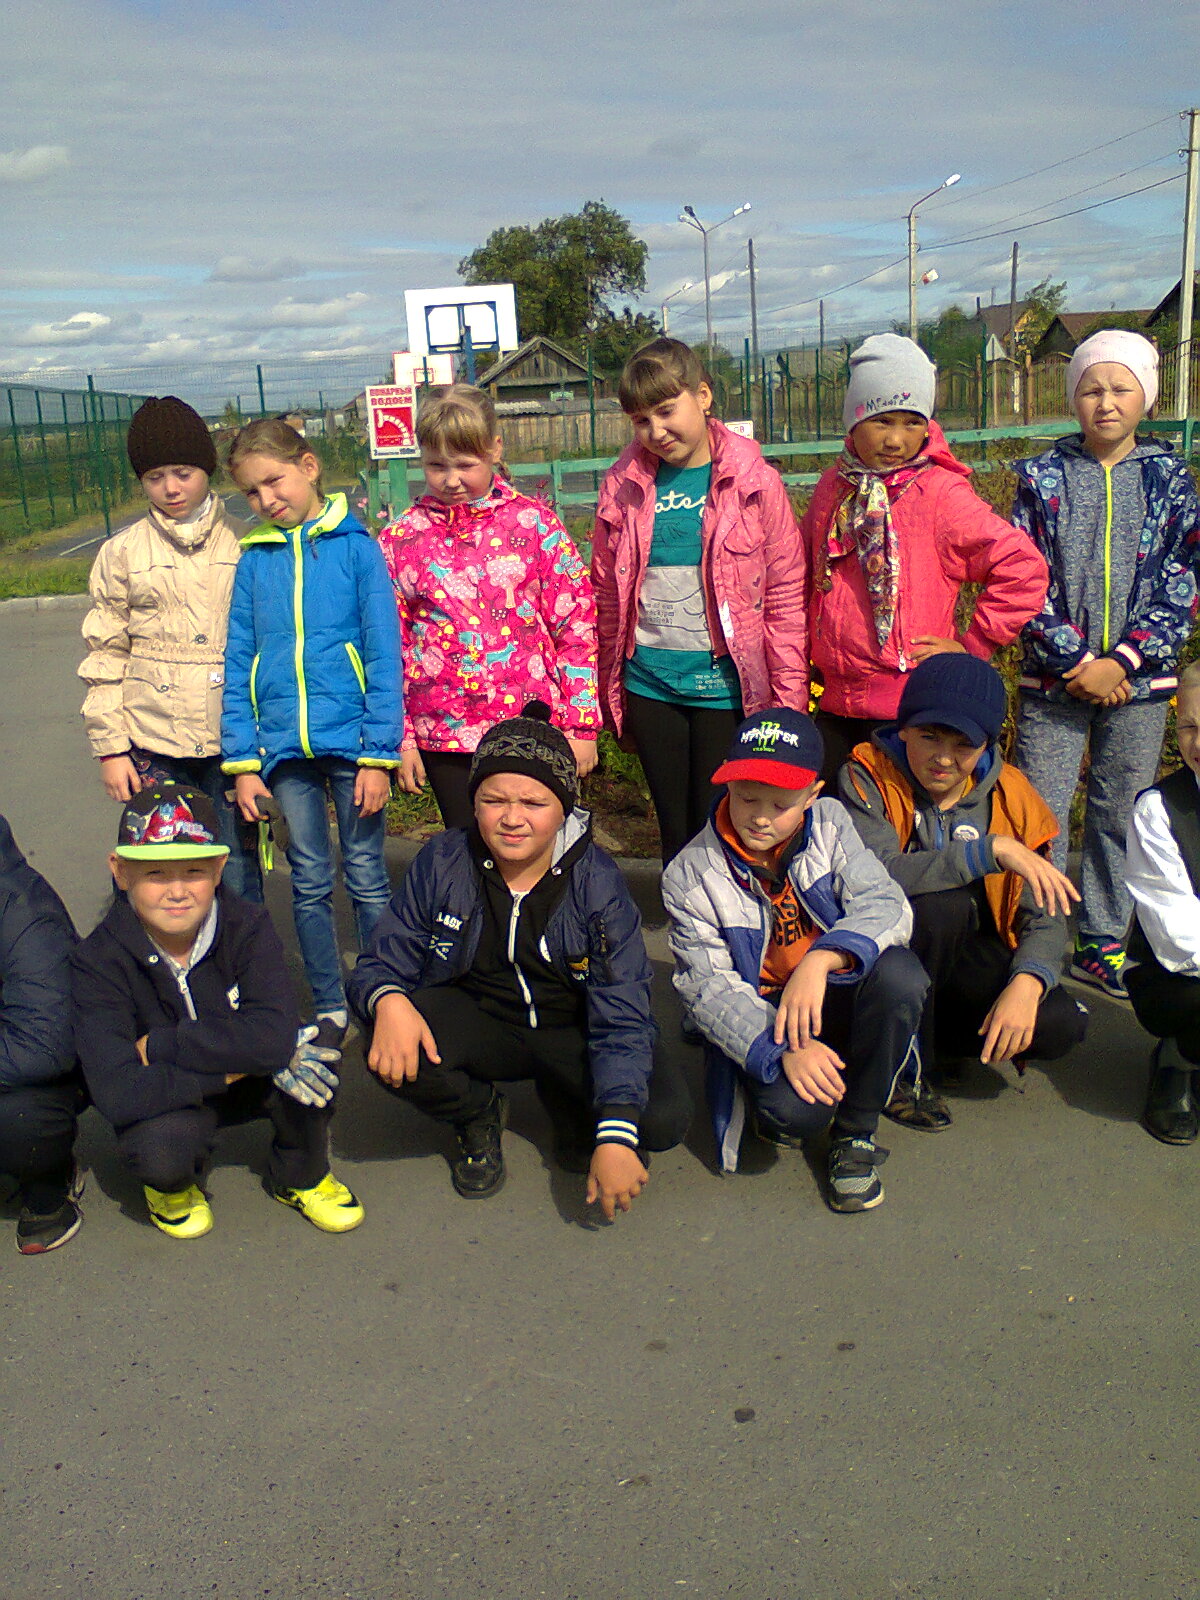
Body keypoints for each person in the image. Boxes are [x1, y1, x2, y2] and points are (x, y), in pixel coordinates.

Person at [348, 702, 691, 1219]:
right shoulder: (443, 859)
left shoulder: (598, 883)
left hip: (572, 1027)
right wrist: (388, 1000)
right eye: (494, 800)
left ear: (564, 809)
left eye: (533, 802)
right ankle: (477, 1111)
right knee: (388, 1042)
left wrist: (617, 1132)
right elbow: (381, 960)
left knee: (660, 1119)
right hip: (482, 1019)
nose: (512, 818)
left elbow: (623, 1011)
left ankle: (570, 1099)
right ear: (475, 803)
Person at [661, 707, 926, 1212]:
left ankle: (857, 1133)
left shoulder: (831, 823)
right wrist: (783, 1046)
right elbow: (708, 988)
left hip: (826, 982)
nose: (761, 817)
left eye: (781, 803)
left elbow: (886, 903)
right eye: (746, 797)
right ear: (727, 781)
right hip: (765, 1006)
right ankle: (775, 1081)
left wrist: (822, 958)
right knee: (798, 1112)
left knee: (901, 976)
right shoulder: (689, 873)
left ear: (812, 796)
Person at [71, 783, 363, 1239]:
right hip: (172, 1094)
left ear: (219, 867)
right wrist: (228, 1070)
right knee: (160, 1151)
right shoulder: (97, 960)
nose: (177, 891)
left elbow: (274, 1034)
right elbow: (117, 1092)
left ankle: (300, 1172)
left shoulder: (248, 925)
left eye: (194, 871)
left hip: (201, 1067)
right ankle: (171, 1185)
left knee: (314, 1049)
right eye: (156, 874)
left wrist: (163, 1044)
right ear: (121, 871)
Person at [1013, 330, 1200, 1000]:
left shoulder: (1172, 480)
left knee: (1121, 812)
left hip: (1139, 685)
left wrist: (1122, 661)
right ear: (1074, 398)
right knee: (1040, 812)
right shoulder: (1041, 477)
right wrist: (1078, 662)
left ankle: (1101, 939)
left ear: (1147, 397)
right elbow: (1023, 577)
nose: (1106, 402)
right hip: (1055, 681)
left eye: (1122, 388)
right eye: (1092, 389)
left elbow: (1183, 579)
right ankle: (1035, 935)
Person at [839, 654, 1088, 1130]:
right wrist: (989, 851)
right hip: (887, 965)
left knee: (1059, 1021)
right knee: (943, 908)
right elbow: (875, 874)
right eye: (930, 736)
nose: (944, 758)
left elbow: (1046, 912)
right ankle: (899, 1068)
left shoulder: (1013, 794)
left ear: (988, 744)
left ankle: (942, 1047)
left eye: (964, 744)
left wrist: (1027, 982)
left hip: (966, 960)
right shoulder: (866, 774)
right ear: (904, 728)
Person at [590, 337, 806, 865]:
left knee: (725, 832)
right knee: (675, 835)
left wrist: (788, 703)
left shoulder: (755, 483)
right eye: (641, 420)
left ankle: (731, 919)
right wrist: (606, 690)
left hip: (726, 695)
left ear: (703, 396)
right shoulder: (622, 484)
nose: (656, 431)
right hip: (651, 688)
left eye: (667, 410)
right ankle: (682, 920)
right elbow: (607, 594)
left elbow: (784, 598)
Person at [222, 418, 402, 1044]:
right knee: (308, 882)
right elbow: (238, 660)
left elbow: (383, 652)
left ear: (308, 466)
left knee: (367, 875)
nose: (266, 499)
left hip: (353, 745)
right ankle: (328, 1002)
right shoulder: (254, 560)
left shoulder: (357, 549)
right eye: (251, 492)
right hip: (283, 752)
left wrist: (378, 754)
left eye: (274, 481)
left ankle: (383, 992)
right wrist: (244, 763)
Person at [799, 333, 1048, 781]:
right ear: (854, 420)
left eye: (912, 423)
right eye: (882, 421)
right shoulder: (833, 488)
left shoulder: (939, 494)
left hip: (910, 707)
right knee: (831, 815)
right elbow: (806, 576)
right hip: (834, 700)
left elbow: (1022, 568)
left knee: (899, 816)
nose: (896, 440)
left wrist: (972, 647)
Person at [379, 384, 600, 830]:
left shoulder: (534, 525)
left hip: (529, 725)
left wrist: (581, 726)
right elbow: (389, 647)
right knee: (466, 848)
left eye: (465, 465)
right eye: (436, 466)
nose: (451, 480)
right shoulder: (401, 539)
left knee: (529, 844)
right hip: (442, 732)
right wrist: (402, 740)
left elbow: (575, 625)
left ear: (494, 450)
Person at [79, 395, 262, 901]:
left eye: (183, 473)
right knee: (157, 866)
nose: (171, 488)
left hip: (232, 741)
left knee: (236, 866)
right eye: (155, 476)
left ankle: (240, 951)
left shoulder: (247, 544)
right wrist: (111, 748)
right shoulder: (121, 553)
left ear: (206, 470)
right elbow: (105, 656)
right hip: (152, 738)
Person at [0, 814, 83, 1255]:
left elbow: (44, 1045)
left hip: (27, 1069)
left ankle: (48, 1190)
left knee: (21, 1120)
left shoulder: (22, 908)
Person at [1124, 661, 1200, 1144]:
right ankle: (1179, 1060)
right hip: (1175, 978)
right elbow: (1179, 934)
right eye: (1190, 727)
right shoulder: (1158, 808)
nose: (1199, 744)